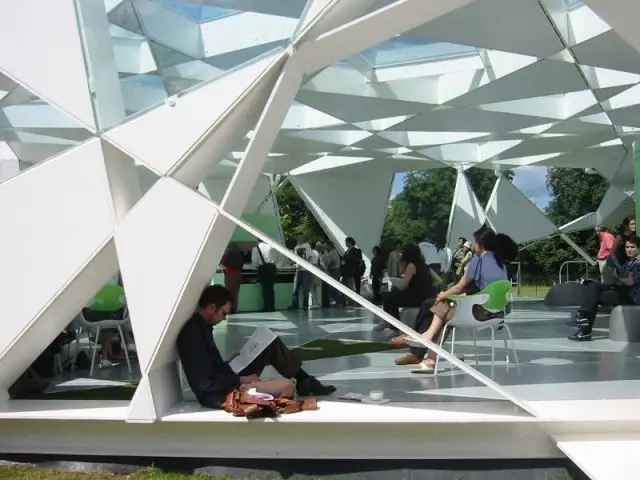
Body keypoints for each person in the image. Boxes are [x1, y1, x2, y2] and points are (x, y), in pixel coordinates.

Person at [177, 285, 336, 409]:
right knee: (286, 382)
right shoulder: (194, 334)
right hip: (219, 392)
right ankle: (304, 381)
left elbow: (209, 369)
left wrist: (230, 363)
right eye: (223, 313)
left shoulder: (202, 327)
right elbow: (206, 382)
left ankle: (304, 380)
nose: (224, 319)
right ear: (212, 308)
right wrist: (241, 379)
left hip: (225, 378)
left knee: (268, 342)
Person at [392, 226, 518, 369]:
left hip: (478, 313)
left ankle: (422, 343)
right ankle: (423, 348)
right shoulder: (501, 264)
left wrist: (443, 294)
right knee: (435, 306)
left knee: (442, 307)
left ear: (481, 245)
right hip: (497, 313)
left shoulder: (478, 260)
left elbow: (460, 287)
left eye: (475, 242)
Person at [569, 236, 640, 342]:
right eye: (627, 247)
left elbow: (630, 282)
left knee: (594, 292)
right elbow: (623, 280)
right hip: (622, 291)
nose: (629, 249)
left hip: (631, 297)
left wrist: (617, 277)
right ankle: (584, 322)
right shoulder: (629, 262)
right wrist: (618, 279)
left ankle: (584, 323)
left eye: (632, 247)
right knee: (593, 288)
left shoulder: (638, 263)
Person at [376, 243, 439, 331]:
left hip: (413, 299)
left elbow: (403, 285)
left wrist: (392, 281)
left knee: (387, 297)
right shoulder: (426, 266)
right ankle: (390, 322)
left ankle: (394, 324)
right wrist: (425, 285)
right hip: (425, 298)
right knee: (390, 295)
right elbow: (439, 280)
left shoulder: (411, 266)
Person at [251, 239, 279, 312]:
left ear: (257, 240)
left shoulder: (256, 248)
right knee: (271, 288)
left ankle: (266, 307)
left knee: (265, 288)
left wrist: (257, 266)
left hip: (263, 269)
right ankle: (272, 307)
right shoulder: (271, 246)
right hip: (272, 268)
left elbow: (254, 261)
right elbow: (276, 258)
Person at [221, 244, 245, 313]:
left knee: (228, 294)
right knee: (235, 294)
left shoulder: (227, 255)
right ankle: (234, 309)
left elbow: (223, 264)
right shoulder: (239, 256)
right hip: (238, 275)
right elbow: (241, 265)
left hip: (229, 275)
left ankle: (228, 310)